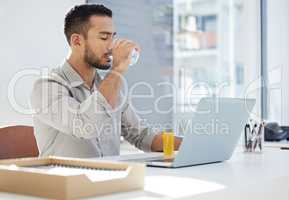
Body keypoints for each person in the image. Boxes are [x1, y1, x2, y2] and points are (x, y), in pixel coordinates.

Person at [30, 4, 182, 158]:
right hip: (68, 180)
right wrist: (117, 70)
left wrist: (191, 146)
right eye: (104, 37)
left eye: (112, 37)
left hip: (109, 178)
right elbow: (84, 126)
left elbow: (142, 137)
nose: (111, 46)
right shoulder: (47, 87)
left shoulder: (111, 87)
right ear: (77, 41)